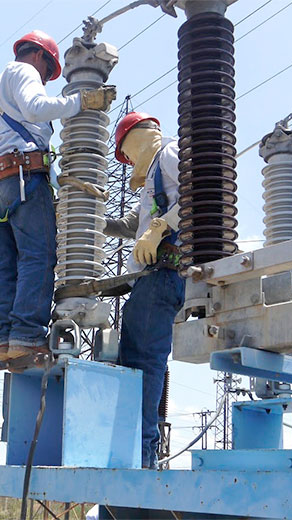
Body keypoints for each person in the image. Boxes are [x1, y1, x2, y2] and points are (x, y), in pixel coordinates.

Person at [0, 29, 116, 362]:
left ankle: (7, 340)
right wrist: (81, 101)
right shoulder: (23, 71)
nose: (45, 79)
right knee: (37, 257)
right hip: (22, 179)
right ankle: (26, 336)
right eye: (48, 72)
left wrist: (59, 180)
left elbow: (21, 131)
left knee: (3, 266)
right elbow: (37, 107)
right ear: (40, 56)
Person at [103, 112, 185, 471]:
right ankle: (137, 450)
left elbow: (202, 193)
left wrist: (161, 227)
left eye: (127, 154)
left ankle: (141, 456)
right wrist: (93, 219)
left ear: (135, 138)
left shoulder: (168, 154)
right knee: (135, 360)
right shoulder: (154, 178)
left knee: (142, 363)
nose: (129, 162)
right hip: (152, 279)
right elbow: (132, 225)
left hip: (163, 273)